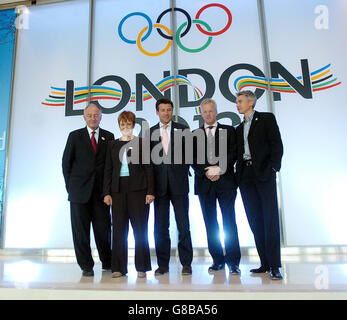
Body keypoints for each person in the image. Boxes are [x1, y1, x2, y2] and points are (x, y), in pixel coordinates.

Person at [235, 90, 284, 280]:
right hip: (245, 176)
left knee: (269, 220)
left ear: (251, 102)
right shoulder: (238, 129)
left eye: (240, 101)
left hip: (264, 174)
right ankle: (264, 262)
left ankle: (274, 265)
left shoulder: (266, 119)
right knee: (255, 219)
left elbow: (276, 144)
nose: (237, 105)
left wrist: (274, 168)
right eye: (237, 102)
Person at [62, 103, 114, 277]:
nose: (93, 118)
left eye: (96, 115)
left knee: (103, 229)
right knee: (80, 231)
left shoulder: (109, 136)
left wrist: (108, 191)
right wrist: (71, 187)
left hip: (101, 193)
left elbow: (111, 166)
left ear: (101, 117)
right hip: (79, 193)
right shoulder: (74, 136)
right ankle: (86, 266)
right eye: (89, 115)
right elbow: (66, 164)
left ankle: (108, 262)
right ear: (84, 117)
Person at [192, 98, 241, 275]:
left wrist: (218, 169)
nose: (208, 114)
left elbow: (234, 153)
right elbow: (192, 158)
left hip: (226, 182)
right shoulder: (194, 133)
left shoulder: (229, 130)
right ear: (201, 113)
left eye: (211, 111)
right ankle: (218, 260)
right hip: (205, 184)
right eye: (205, 111)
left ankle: (233, 261)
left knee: (229, 221)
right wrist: (206, 171)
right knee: (210, 223)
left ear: (216, 111)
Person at [103, 111, 154, 278]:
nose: (126, 127)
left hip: (138, 191)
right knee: (119, 230)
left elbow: (149, 169)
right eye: (122, 124)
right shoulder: (112, 145)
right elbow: (108, 171)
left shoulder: (142, 143)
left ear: (133, 125)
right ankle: (118, 267)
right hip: (117, 192)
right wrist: (107, 192)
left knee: (140, 230)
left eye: (128, 124)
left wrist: (150, 191)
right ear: (119, 126)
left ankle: (142, 267)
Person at [149, 98, 193, 276]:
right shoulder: (150, 132)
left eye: (169, 110)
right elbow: (147, 162)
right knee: (160, 227)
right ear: (157, 112)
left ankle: (186, 263)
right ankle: (163, 264)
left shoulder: (183, 129)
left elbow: (190, 155)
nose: (166, 113)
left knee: (183, 225)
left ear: (172, 111)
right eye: (162, 110)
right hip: (159, 187)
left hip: (179, 185)